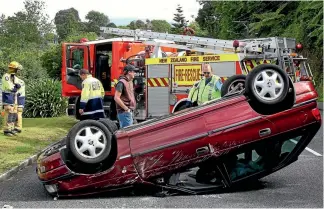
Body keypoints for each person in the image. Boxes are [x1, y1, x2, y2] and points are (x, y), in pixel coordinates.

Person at [1, 61, 23, 136]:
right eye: (17, 69)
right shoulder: (6, 76)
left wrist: (17, 86)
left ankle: (11, 128)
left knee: (13, 113)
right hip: (7, 96)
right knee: (9, 112)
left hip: (14, 96)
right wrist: (15, 87)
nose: (18, 71)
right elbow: (10, 87)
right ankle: (7, 130)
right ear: (13, 69)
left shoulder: (14, 77)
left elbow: (17, 86)